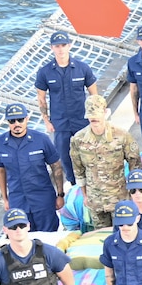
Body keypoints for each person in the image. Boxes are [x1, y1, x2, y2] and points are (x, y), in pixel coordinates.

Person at [33, 30, 97, 184]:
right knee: (65, 156)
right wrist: (47, 121)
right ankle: (75, 185)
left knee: (88, 153)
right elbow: (41, 99)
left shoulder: (82, 68)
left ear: (69, 45)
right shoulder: (45, 72)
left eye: (63, 45)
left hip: (82, 120)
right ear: (51, 48)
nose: (60, 49)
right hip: (60, 123)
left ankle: (92, 183)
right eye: (57, 46)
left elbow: (94, 95)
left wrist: (95, 117)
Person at [70, 94, 142, 227]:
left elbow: (135, 165)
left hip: (119, 198)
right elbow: (78, 170)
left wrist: (135, 192)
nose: (94, 122)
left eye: (97, 118)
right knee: (101, 239)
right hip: (95, 201)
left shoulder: (121, 136)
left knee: (123, 235)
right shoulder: (78, 140)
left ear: (105, 113)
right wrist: (85, 195)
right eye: (92, 119)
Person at [0, 102, 64, 233]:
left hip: (43, 199)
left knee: (48, 235)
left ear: (27, 119)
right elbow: (0, 171)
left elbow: (56, 166)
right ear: (7, 122)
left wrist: (60, 194)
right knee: (22, 236)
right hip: (17, 200)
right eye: (12, 121)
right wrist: (5, 198)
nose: (16, 124)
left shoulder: (41, 139)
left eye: (20, 119)